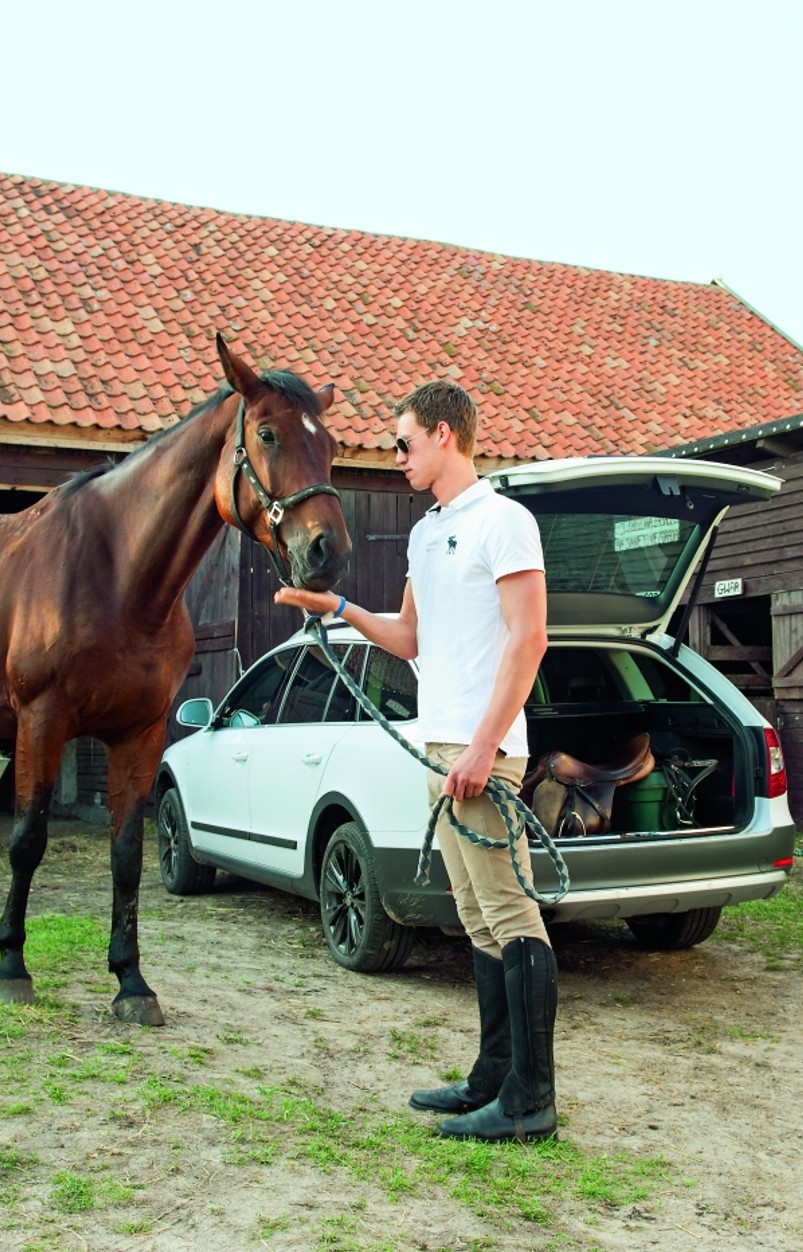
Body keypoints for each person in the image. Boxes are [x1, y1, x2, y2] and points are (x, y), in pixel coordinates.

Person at [275, 379, 555, 1142]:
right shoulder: (426, 533)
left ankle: (532, 1100)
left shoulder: (506, 522)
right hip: (441, 749)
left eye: (403, 443)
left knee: (509, 910)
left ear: (443, 436)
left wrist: (482, 745)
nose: (396, 457)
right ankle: (492, 1078)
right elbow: (409, 637)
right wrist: (339, 613)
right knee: (475, 916)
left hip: (482, 753)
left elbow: (529, 639)